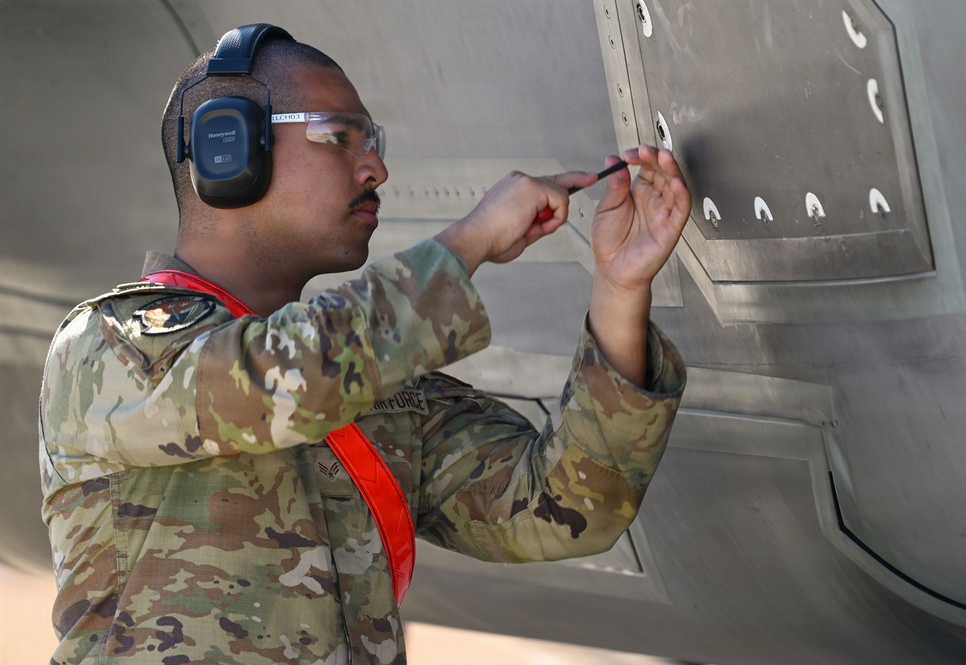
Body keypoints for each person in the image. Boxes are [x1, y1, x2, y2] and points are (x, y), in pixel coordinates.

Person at [38, 23, 689, 665]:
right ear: (227, 148)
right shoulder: (110, 348)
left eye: (370, 141)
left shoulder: (370, 379)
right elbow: (277, 380)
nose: (374, 166)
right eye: (339, 136)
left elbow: (564, 506)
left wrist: (619, 289)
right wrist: (466, 243)